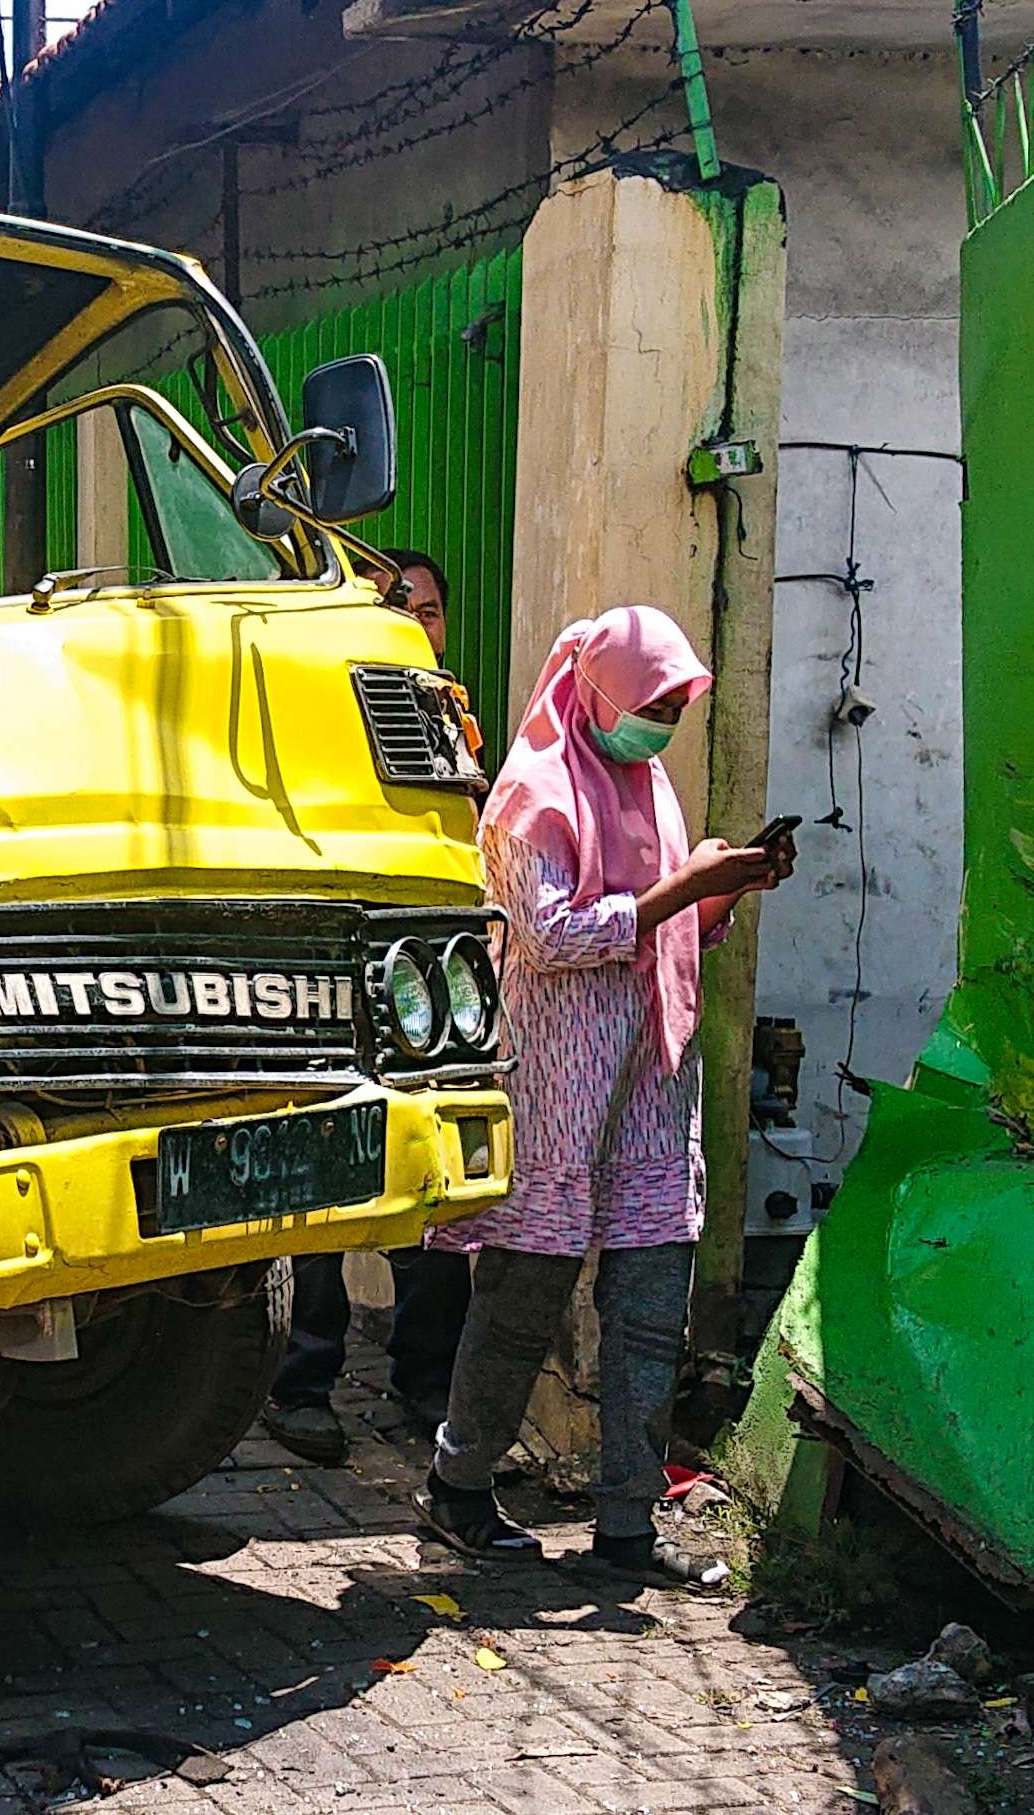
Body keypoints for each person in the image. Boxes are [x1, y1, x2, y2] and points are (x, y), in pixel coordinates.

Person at [414, 605, 790, 1587]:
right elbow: (546, 937)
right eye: (651, 704)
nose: (661, 722)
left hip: (649, 1083)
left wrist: (727, 886)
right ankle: (457, 1485)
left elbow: (669, 933)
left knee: (648, 1307)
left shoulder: (648, 785)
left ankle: (628, 1521)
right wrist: (680, 888)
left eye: (673, 706)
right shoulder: (529, 796)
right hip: (553, 1088)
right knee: (520, 1302)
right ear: (599, 691)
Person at [264, 547, 478, 1463]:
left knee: (432, 1199)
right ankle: (302, 1379)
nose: (412, 624)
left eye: (425, 610)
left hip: (421, 988)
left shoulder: (448, 723)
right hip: (319, 981)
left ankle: (423, 1387)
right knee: (319, 1190)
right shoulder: (307, 709)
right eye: (393, 606)